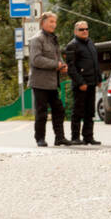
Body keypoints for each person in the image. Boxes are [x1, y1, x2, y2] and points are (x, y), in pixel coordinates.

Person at [27, 11, 71, 146]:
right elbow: (36, 60)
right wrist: (55, 65)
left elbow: (57, 57)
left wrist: (62, 65)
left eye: (55, 22)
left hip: (52, 82)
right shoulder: (37, 39)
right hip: (39, 82)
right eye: (51, 21)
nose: (54, 25)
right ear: (43, 23)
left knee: (59, 109)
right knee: (42, 112)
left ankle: (60, 138)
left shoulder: (53, 39)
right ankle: (40, 138)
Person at [64, 20, 102, 145]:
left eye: (86, 29)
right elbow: (71, 68)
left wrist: (99, 79)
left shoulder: (90, 43)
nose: (85, 31)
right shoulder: (72, 45)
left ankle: (88, 137)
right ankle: (75, 137)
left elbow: (96, 63)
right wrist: (81, 82)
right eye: (81, 29)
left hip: (92, 83)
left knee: (90, 112)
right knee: (78, 111)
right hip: (80, 85)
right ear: (76, 31)